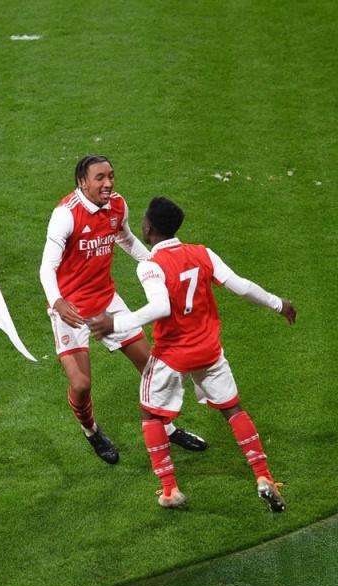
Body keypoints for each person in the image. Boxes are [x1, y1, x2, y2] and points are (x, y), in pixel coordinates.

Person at [90, 197, 296, 510]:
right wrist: (278, 303)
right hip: (210, 350)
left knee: (151, 414)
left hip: (173, 355)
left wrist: (113, 322)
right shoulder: (202, 253)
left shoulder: (151, 266)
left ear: (147, 229)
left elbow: (161, 307)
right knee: (233, 409)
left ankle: (170, 490)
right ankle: (263, 476)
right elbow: (241, 286)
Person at [39, 155, 206, 464]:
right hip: (71, 309)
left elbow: (126, 239)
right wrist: (58, 301)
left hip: (107, 302)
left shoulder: (117, 206)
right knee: (81, 384)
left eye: (111, 176)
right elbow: (47, 267)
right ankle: (91, 431)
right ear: (82, 182)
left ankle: (167, 427)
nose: (108, 183)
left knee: (152, 370)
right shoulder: (65, 215)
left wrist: (159, 265)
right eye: (100, 178)